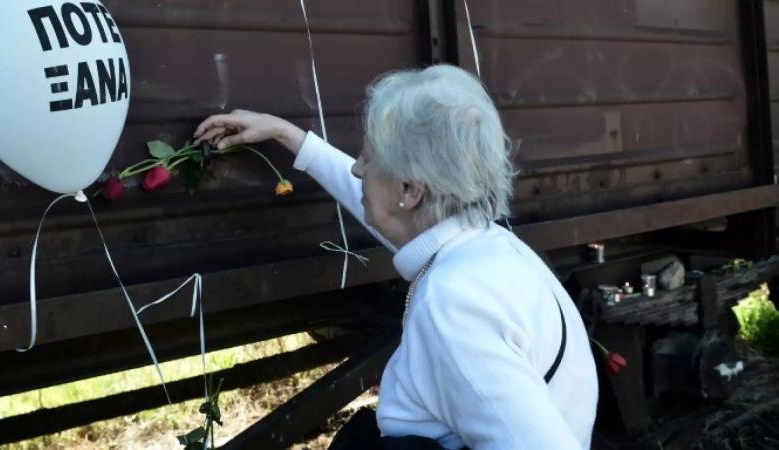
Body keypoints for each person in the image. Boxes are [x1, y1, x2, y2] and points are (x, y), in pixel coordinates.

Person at [194, 64, 598, 449]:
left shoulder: (453, 305)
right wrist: (290, 137)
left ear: (410, 190)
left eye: (368, 158)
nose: (356, 170)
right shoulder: (480, 245)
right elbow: (383, 210)